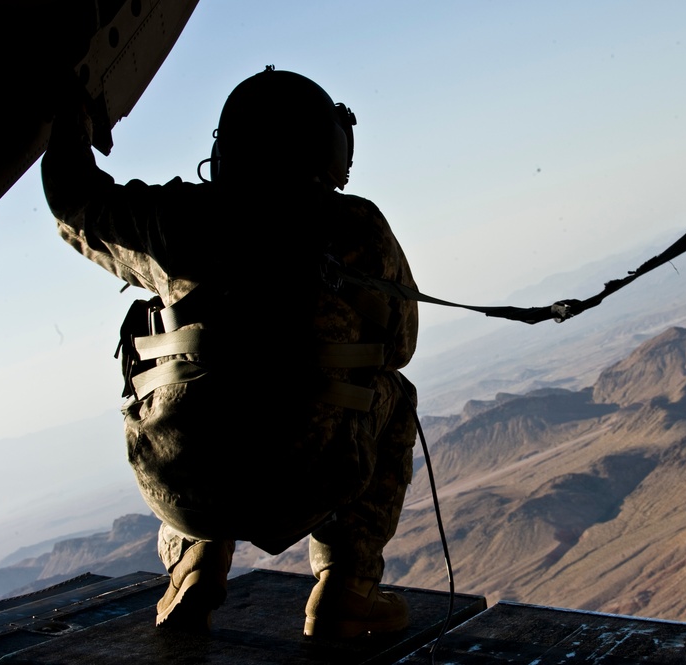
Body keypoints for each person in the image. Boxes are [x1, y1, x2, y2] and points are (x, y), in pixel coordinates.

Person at [41, 67, 419, 638]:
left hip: (184, 486)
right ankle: (347, 587)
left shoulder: (174, 220)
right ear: (325, 147)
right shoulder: (358, 227)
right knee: (393, 392)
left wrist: (73, 117)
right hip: (315, 481)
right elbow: (401, 346)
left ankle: (194, 563)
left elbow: (73, 199)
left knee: (190, 384)